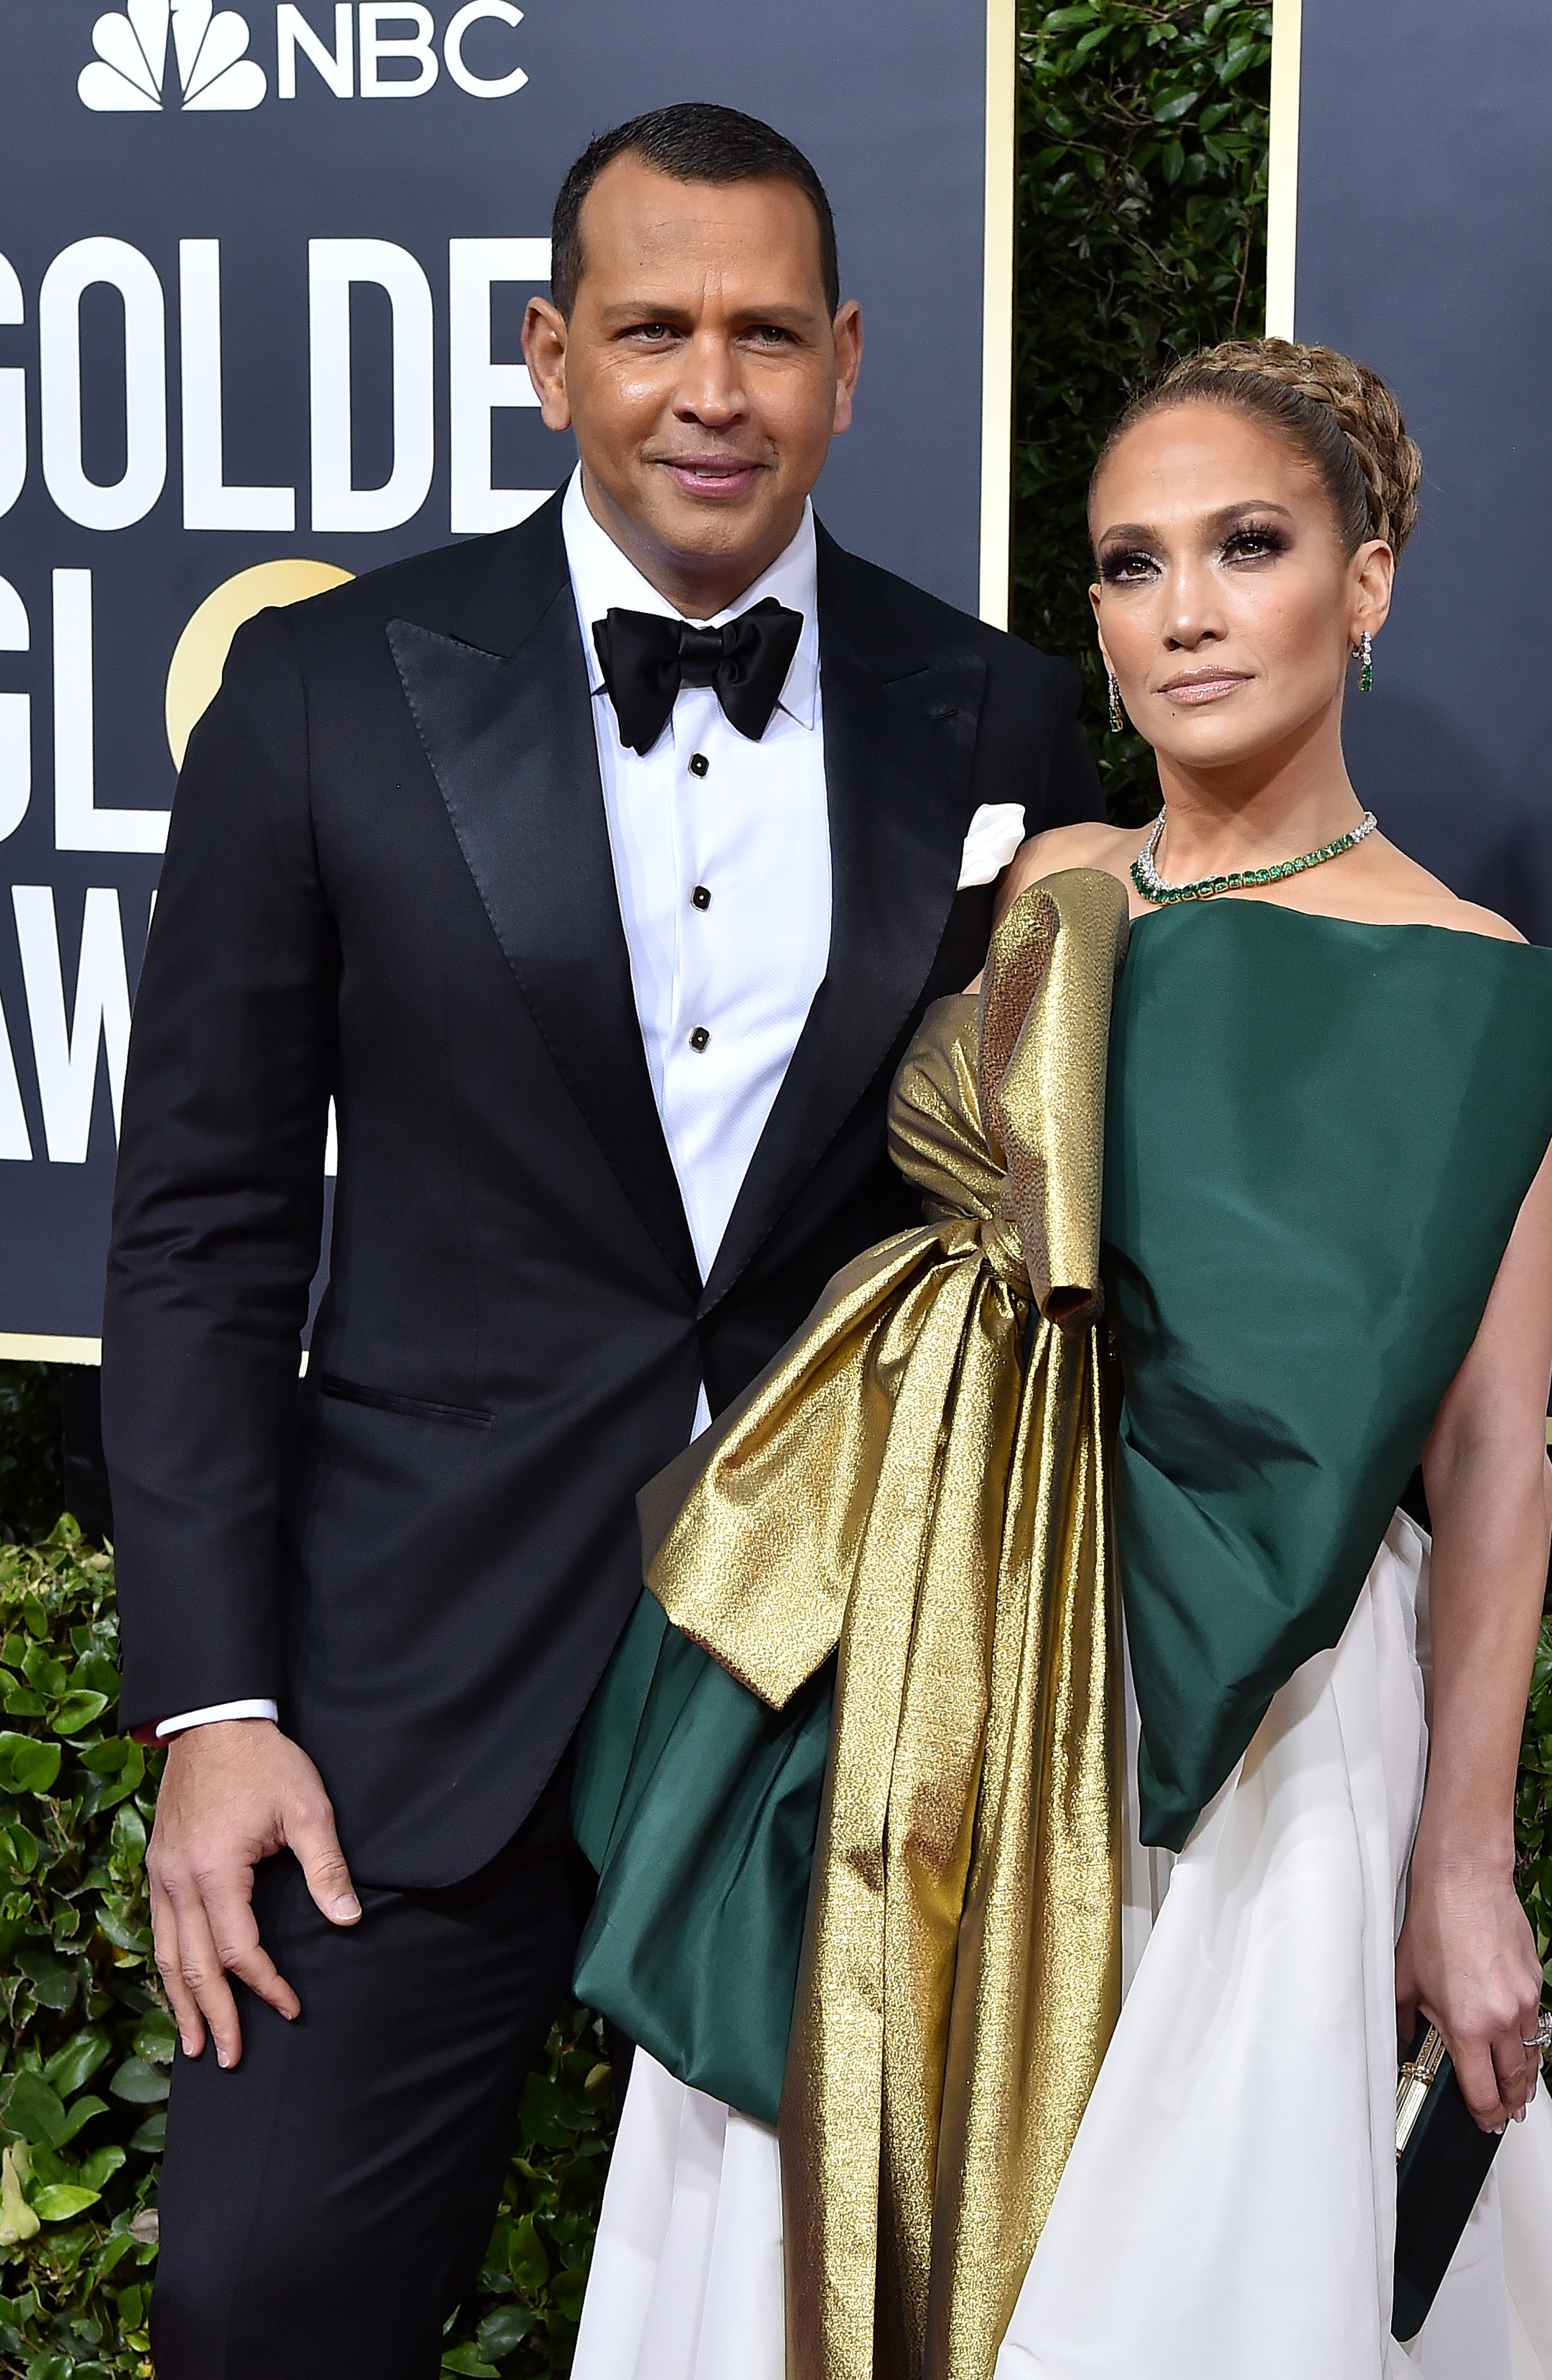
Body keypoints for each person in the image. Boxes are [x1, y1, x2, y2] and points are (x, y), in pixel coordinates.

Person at [100, 103, 1101, 2378]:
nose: (712, 389)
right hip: (409, 1687)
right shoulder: (328, 693)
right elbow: (200, 1231)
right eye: (654, 330)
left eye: (766, 333)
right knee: (254, 2308)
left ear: (850, 360)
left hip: (825, 1682)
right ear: (553, 359)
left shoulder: (1003, 709)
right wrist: (216, 1704)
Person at [561, 339, 1552, 2378]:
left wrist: (1464, 1859)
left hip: (1263, 1729)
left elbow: (1496, 1458)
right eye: (1130, 565)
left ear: (1370, 574)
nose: (1186, 612)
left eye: (1248, 546)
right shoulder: (1051, 879)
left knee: (1186, 2272)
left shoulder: (1480, 994)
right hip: (945, 1661)